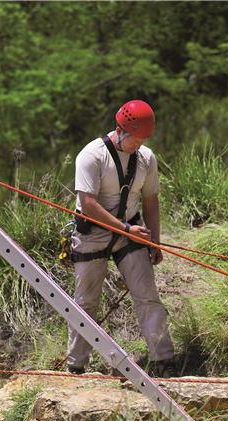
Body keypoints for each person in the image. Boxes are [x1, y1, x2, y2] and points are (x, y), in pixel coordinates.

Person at [66, 99, 177, 377]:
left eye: (143, 141)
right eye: (135, 141)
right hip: (93, 233)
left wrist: (155, 241)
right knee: (86, 301)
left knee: (147, 294)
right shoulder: (91, 156)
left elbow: (151, 201)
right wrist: (125, 229)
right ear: (120, 130)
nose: (138, 146)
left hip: (130, 231)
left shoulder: (146, 158)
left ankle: (163, 360)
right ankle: (76, 365)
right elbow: (88, 204)